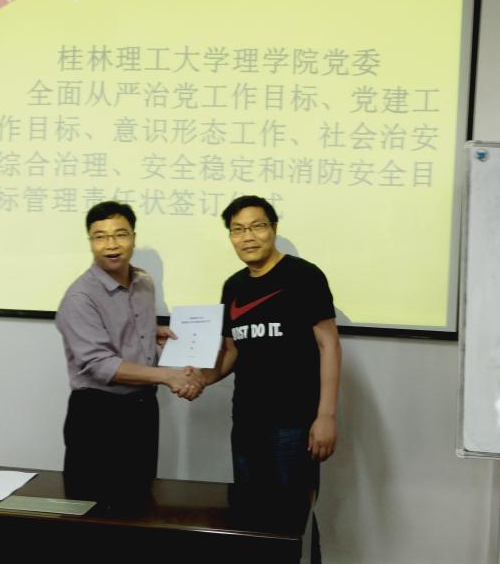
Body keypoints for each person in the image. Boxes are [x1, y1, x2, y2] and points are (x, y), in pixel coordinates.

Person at [198, 195, 342, 563]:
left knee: (294, 520)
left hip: (294, 424)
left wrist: (326, 415)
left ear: (273, 229)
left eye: (257, 226)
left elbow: (328, 344)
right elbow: (231, 350)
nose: (248, 237)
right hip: (246, 422)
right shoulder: (233, 286)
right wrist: (199, 378)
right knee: (251, 517)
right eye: (238, 230)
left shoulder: (303, 276)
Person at [55, 201, 203, 498]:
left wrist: (149, 333)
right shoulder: (80, 297)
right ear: (90, 242)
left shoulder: (143, 283)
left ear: (133, 237)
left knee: (139, 499)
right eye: (100, 236)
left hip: (143, 408)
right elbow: (100, 364)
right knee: (92, 507)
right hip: (98, 414)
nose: (111, 245)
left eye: (120, 234)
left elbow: (128, 325)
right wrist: (169, 376)